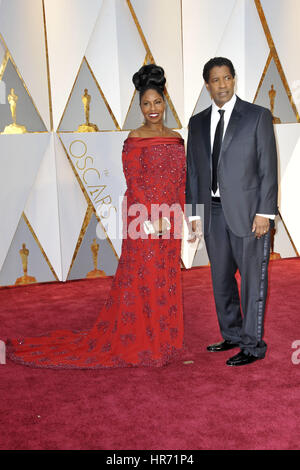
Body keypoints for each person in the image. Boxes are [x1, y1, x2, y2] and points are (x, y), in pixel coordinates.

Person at [7, 64, 187, 369]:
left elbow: (182, 181)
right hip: (145, 222)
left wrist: (177, 219)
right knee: (144, 280)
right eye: (146, 103)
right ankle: (145, 342)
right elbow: (135, 183)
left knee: (165, 279)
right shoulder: (135, 138)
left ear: (165, 101)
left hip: (170, 222)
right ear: (139, 106)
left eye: (157, 102)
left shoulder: (176, 138)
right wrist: (150, 221)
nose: (152, 108)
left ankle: (162, 339)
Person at [186, 57, 278, 366]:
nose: (222, 84)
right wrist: (195, 215)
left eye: (227, 78)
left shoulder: (256, 116)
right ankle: (233, 334)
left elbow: (268, 168)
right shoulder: (196, 122)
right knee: (221, 278)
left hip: (250, 214)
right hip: (212, 214)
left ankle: (253, 345)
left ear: (234, 79)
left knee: (253, 280)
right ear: (207, 84)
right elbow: (193, 172)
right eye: (215, 79)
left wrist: (265, 212)